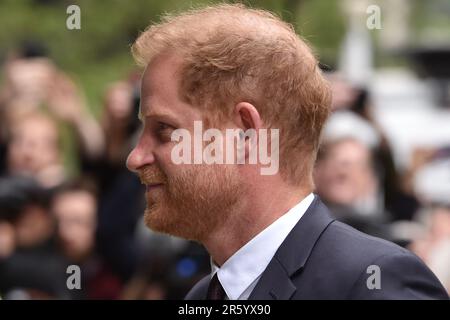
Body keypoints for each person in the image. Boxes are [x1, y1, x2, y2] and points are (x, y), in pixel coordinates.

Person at [126, 4, 449, 299]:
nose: (136, 157)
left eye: (164, 131)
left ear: (245, 133)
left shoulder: (372, 283)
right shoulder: (201, 296)